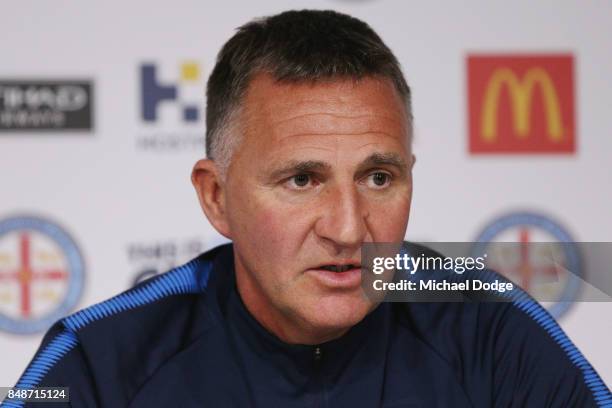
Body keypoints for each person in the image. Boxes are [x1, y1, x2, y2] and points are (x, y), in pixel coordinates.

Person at [5, 9, 611, 408]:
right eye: (302, 180)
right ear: (216, 197)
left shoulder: (494, 332)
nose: (349, 228)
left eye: (378, 177)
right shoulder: (97, 363)